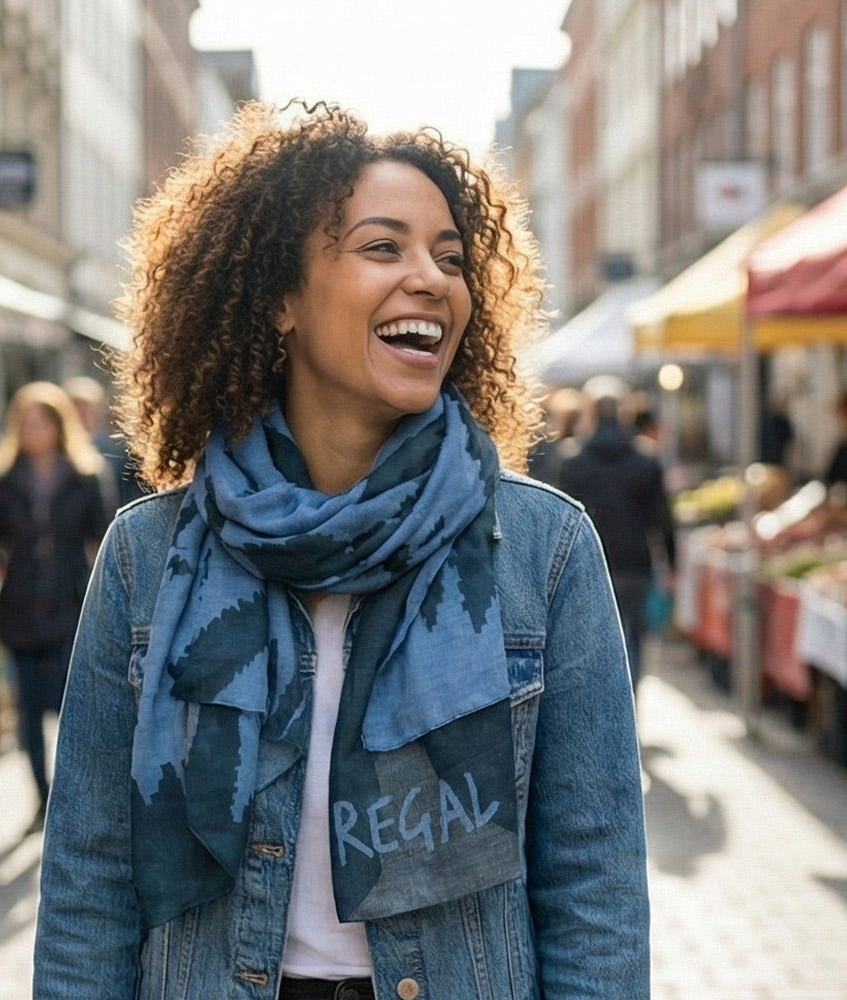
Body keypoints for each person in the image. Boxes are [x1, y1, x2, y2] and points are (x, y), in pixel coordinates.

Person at [33, 101, 649, 1000]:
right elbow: (90, 881)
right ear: (279, 300)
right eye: (383, 247)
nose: (432, 279)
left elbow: (594, 885)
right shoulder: (146, 554)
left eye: (450, 256)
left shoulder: (542, 552)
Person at [0, 381, 109, 831]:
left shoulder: (85, 477)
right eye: (23, 422)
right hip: (20, 606)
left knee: (70, 705)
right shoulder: (6, 480)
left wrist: (111, 606)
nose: (30, 430)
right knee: (27, 709)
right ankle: (42, 799)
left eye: (39, 422)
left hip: (71, 605)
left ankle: (72, 795)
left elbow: (106, 543)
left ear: (58, 425)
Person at [559, 378, 676, 693]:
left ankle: (601, 717)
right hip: (635, 561)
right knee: (634, 642)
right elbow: (662, 517)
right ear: (624, 413)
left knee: (590, 644)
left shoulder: (572, 461)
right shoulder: (646, 460)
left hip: (586, 565)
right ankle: (628, 711)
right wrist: (672, 559)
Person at [63, 374, 148, 512]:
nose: (81, 413)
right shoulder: (55, 453)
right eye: (75, 407)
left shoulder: (121, 452)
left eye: (87, 407)